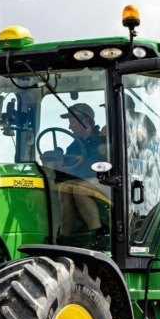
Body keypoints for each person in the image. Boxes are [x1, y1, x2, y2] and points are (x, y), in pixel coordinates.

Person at [49, 103, 109, 246]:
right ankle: (65, 239)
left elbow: (110, 167)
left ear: (86, 121)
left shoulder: (104, 141)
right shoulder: (73, 146)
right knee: (64, 188)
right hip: (85, 184)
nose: (70, 127)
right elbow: (68, 173)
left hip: (108, 185)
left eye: (72, 122)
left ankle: (99, 236)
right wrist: (59, 166)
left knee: (79, 188)